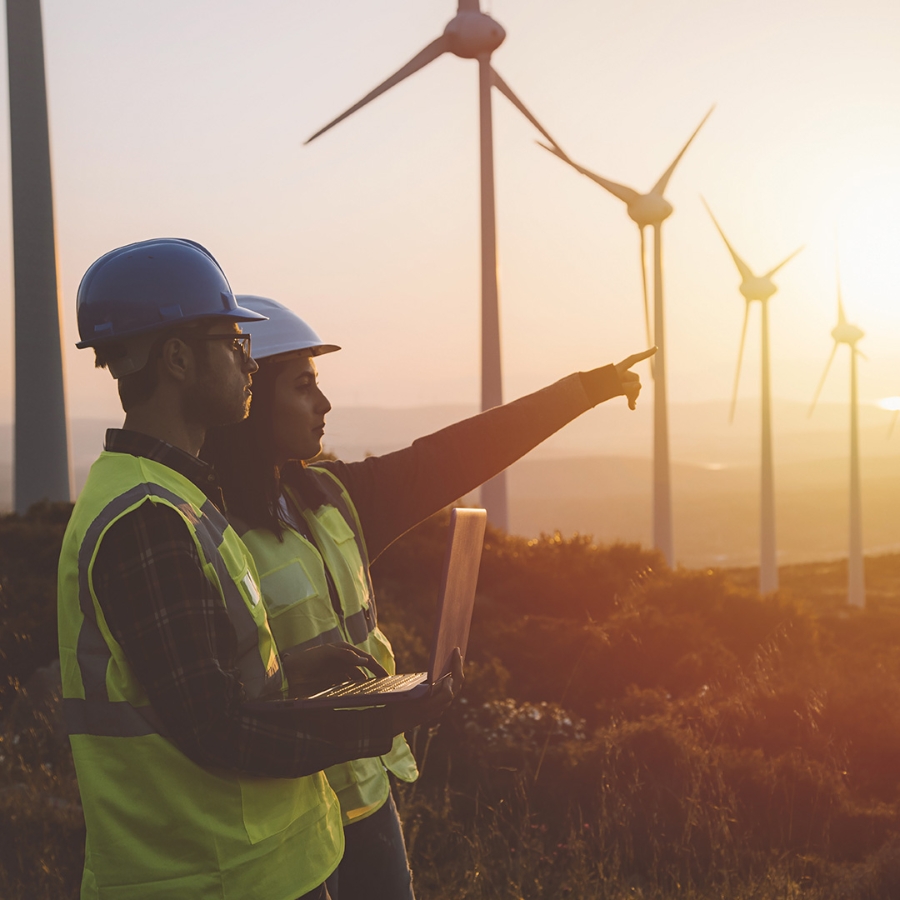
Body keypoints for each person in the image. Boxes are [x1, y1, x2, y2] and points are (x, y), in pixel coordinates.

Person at [201, 295, 655, 900]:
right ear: (253, 399)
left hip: (368, 797)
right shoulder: (207, 528)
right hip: (283, 816)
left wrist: (583, 390)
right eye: (304, 386)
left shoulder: (335, 499)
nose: (324, 403)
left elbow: (454, 454)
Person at [57, 240, 461, 900]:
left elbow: (194, 683)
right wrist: (380, 718)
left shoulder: (182, 498)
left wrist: (299, 672)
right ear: (179, 359)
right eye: (231, 339)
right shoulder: (146, 520)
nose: (249, 358)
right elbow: (216, 729)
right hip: (208, 879)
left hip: (261, 870)